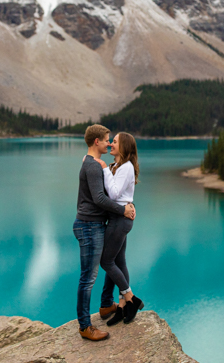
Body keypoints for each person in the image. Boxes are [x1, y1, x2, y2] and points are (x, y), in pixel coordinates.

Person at [73, 124, 136, 341]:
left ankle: (107, 304)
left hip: (96, 224)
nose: (109, 143)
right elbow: (100, 198)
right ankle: (84, 326)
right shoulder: (92, 166)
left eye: (113, 140)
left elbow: (110, 188)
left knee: (112, 260)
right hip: (89, 225)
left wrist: (125, 206)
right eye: (107, 139)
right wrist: (123, 209)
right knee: (88, 278)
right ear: (97, 142)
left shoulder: (93, 164)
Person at [98, 132, 144, 325]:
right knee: (119, 261)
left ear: (123, 146)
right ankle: (123, 307)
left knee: (106, 261)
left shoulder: (126, 167)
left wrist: (104, 170)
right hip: (118, 218)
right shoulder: (116, 166)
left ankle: (131, 298)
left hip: (120, 220)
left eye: (114, 142)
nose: (110, 144)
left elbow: (115, 194)